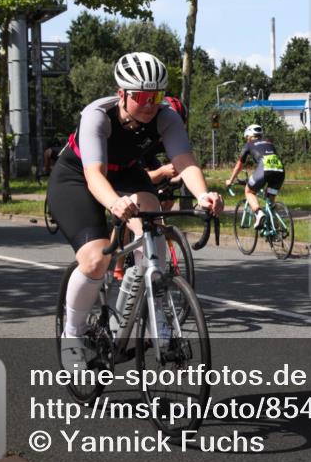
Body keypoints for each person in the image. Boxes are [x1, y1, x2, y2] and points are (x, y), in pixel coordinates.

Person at [47, 52, 223, 370]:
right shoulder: (97, 116)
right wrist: (114, 202)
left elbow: (185, 161)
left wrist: (203, 195)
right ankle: (72, 336)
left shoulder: (167, 117)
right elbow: (95, 176)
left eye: (156, 95)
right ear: (122, 94)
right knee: (96, 258)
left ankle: (159, 320)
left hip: (127, 173)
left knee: (154, 236)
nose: (149, 103)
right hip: (77, 176)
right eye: (140, 96)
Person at [224, 124, 285, 230]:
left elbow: (239, 164)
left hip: (264, 169)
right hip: (280, 171)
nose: (247, 139)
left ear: (249, 135)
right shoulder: (269, 143)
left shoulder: (249, 145)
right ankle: (276, 230)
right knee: (270, 202)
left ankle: (258, 213)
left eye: (247, 137)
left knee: (249, 191)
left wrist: (231, 180)